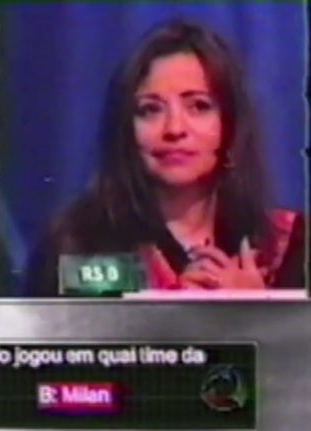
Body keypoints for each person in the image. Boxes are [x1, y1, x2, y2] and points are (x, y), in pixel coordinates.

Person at [23, 20, 306, 296]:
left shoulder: (288, 246)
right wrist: (169, 307)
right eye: (150, 110)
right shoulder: (79, 246)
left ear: (230, 123)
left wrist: (258, 309)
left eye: (198, 106)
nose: (174, 128)